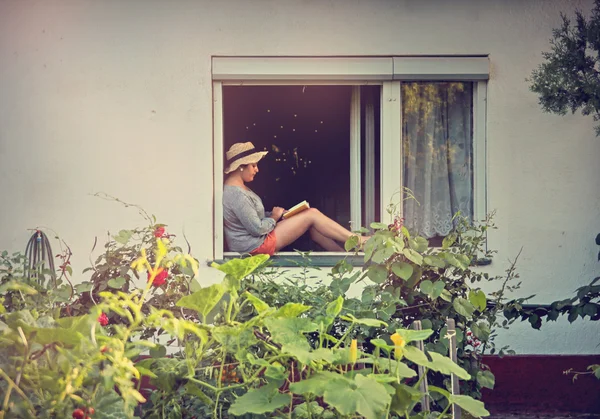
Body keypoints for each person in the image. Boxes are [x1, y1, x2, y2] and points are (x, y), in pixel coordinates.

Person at [222, 142, 368, 256]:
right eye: (253, 165)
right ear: (241, 167)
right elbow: (257, 228)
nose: (257, 170)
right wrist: (274, 216)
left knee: (309, 219)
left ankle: (340, 254)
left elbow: (251, 217)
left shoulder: (240, 188)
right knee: (311, 214)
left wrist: (279, 216)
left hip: (257, 240)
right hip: (255, 246)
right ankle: (358, 241)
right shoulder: (236, 194)